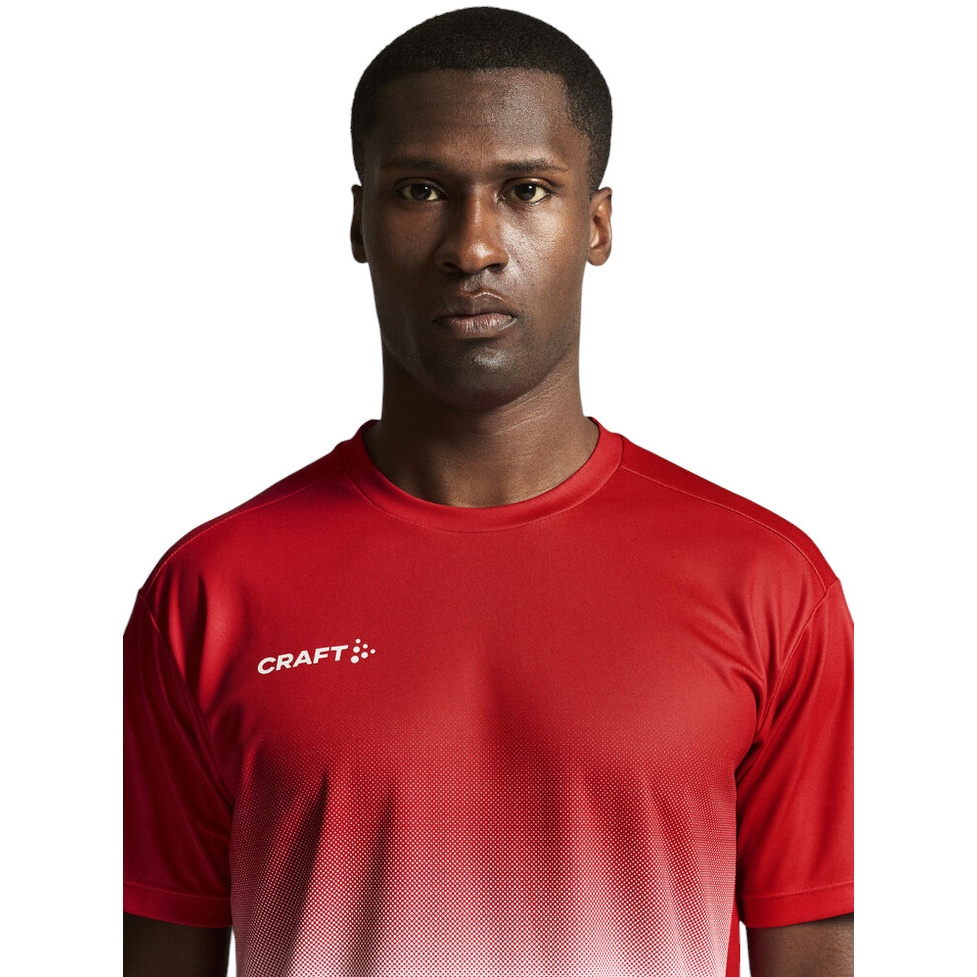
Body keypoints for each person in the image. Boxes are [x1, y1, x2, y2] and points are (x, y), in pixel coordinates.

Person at [123, 7, 853, 976]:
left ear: (596, 223)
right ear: (359, 223)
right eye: (420, 189)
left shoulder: (767, 583)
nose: (472, 246)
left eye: (525, 189)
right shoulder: (208, 590)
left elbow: (809, 948)